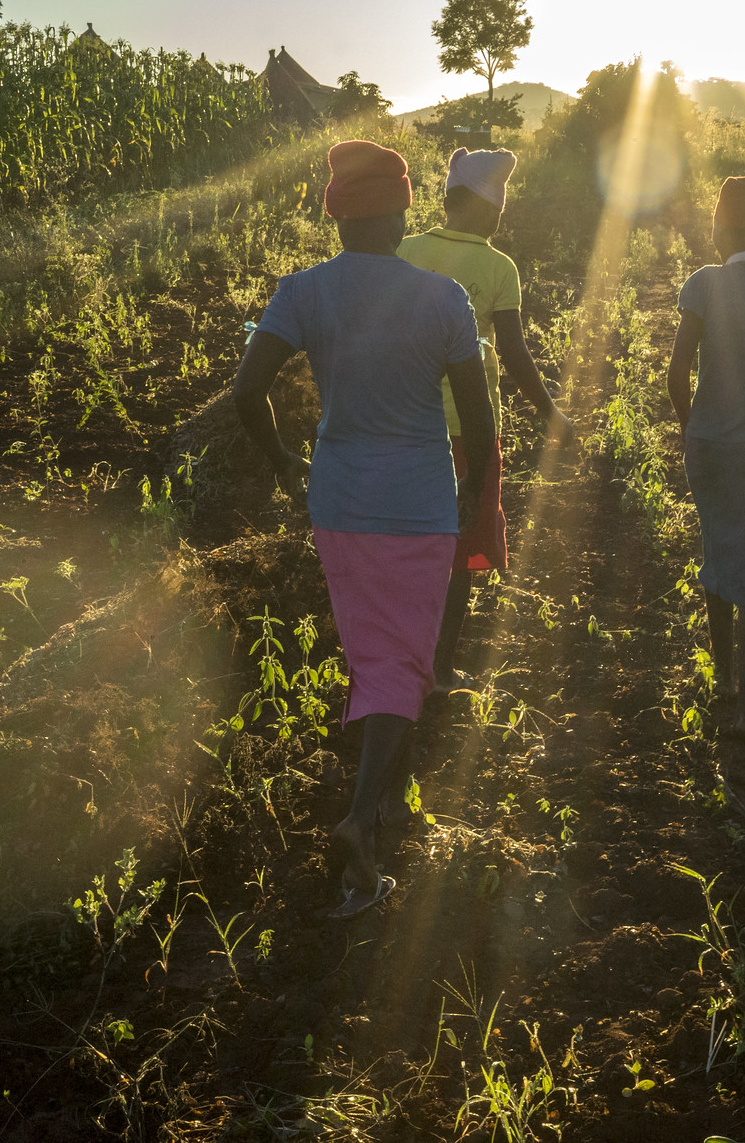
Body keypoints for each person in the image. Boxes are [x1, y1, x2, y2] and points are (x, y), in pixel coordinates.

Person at [233, 139, 495, 919]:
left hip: (339, 503)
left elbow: (249, 389)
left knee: (375, 653)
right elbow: (477, 421)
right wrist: (473, 490)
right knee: (405, 665)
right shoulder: (444, 297)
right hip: (419, 504)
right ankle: (361, 822)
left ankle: (373, 838)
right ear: (403, 208)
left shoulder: (303, 292)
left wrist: (283, 458)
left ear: (337, 212)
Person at [397, 147, 573, 691]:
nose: (501, 216)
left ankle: (398, 661)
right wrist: (551, 413)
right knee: (455, 549)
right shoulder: (499, 268)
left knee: (405, 542)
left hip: (404, 426)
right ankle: (439, 669)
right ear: (485, 209)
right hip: (468, 429)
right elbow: (515, 354)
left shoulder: (404, 250)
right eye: (499, 207)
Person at [667, 176, 745, 745]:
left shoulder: (705, 283)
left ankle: (721, 678)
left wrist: (696, 428)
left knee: (717, 546)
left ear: (720, 227)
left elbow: (676, 374)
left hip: (709, 443)